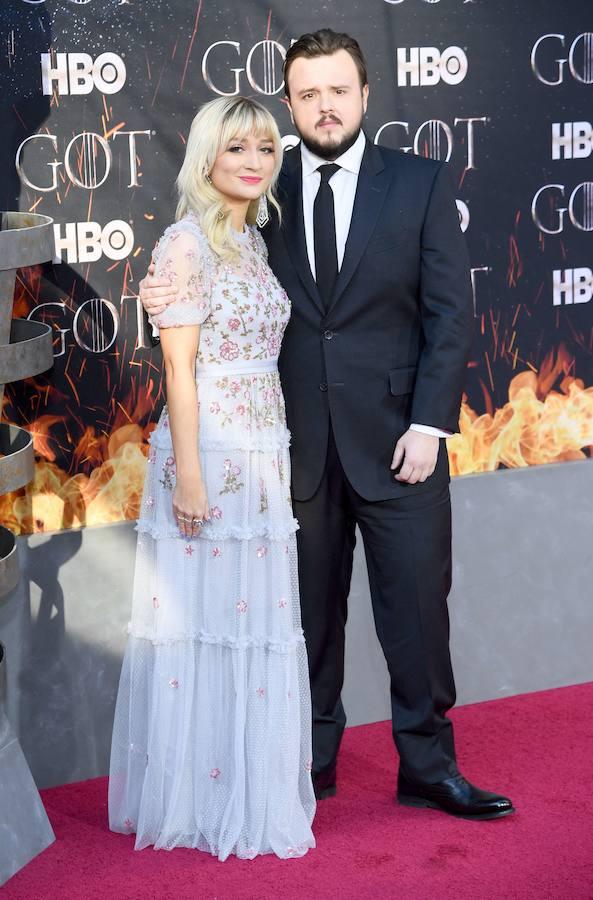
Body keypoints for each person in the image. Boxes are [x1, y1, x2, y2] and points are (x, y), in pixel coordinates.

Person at [140, 30, 514, 820]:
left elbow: (451, 317)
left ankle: (427, 764)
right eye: (307, 94)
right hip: (292, 453)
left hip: (399, 443)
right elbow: (203, 309)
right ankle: (308, 764)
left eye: (337, 91)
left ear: (365, 96)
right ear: (290, 102)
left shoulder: (417, 182)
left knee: (416, 611)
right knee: (304, 618)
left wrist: (429, 424)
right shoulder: (258, 200)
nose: (324, 106)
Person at [108, 95, 316, 861]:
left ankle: (237, 788)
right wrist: (188, 477)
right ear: (207, 159)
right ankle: (197, 801)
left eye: (265, 147)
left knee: (248, 628)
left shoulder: (252, 242)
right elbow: (178, 370)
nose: (255, 161)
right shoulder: (186, 245)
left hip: (262, 452)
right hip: (210, 454)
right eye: (237, 149)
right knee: (200, 629)